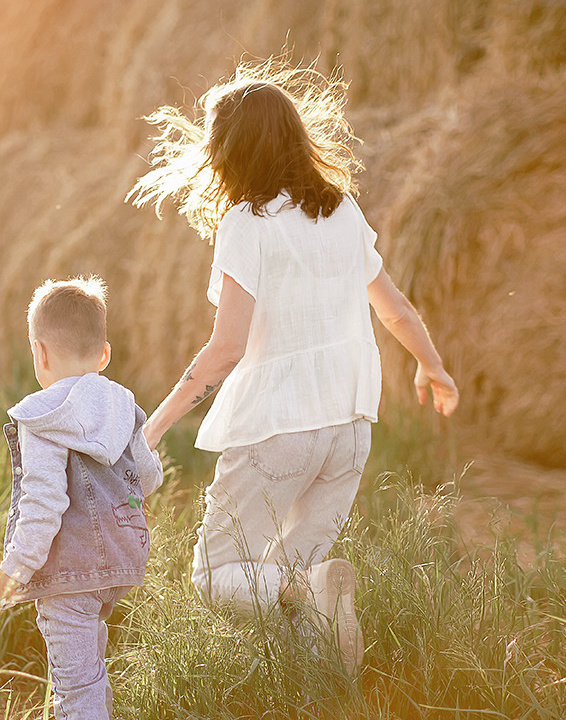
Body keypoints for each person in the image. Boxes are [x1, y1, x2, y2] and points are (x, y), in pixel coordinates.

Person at [127, 60, 458, 672]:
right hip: (349, 430)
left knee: (216, 576)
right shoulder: (342, 211)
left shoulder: (246, 224)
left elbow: (227, 347)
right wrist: (431, 365)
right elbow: (394, 308)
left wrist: (153, 426)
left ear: (229, 152)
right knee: (299, 588)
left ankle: (304, 598)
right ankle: (324, 695)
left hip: (278, 429)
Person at [0, 276, 163, 720]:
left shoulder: (42, 415)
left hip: (69, 571)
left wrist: (16, 567)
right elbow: (149, 477)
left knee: (75, 690)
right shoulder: (124, 406)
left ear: (40, 353)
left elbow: (44, 503)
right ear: (104, 354)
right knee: (89, 671)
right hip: (122, 560)